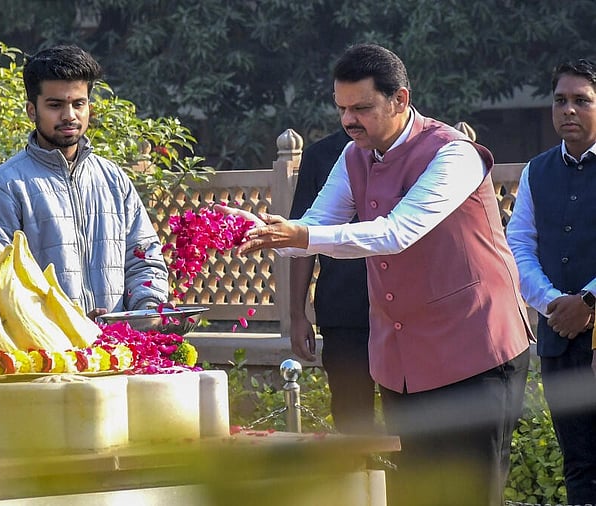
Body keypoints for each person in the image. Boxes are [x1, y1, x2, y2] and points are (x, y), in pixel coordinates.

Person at [221, 44, 532, 506]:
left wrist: (299, 235)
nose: (349, 120)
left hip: (475, 348)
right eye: (342, 108)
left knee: (470, 493)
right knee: (414, 493)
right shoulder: (353, 156)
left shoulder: (454, 154)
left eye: (362, 108)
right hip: (405, 358)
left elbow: (397, 232)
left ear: (400, 100)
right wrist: (256, 232)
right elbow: (317, 225)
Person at [0, 45, 169, 318]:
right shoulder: (3, 189)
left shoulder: (113, 180)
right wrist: (65, 322)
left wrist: (147, 311)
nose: (69, 116)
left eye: (78, 104)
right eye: (55, 105)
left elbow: (144, 261)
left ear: (89, 107)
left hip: (120, 346)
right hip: (44, 355)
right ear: (31, 110)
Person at [506, 58, 596, 505]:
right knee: (578, 462)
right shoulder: (536, 171)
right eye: (561, 100)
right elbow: (518, 245)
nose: (569, 110)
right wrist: (554, 303)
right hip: (559, 337)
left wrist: (590, 301)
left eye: (582, 101)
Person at [288, 128, 377, 434]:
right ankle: (358, 481)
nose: (353, 116)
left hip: (405, 313)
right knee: (352, 417)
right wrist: (297, 315)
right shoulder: (321, 156)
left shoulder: (420, 154)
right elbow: (302, 237)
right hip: (344, 309)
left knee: (411, 420)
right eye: (346, 107)